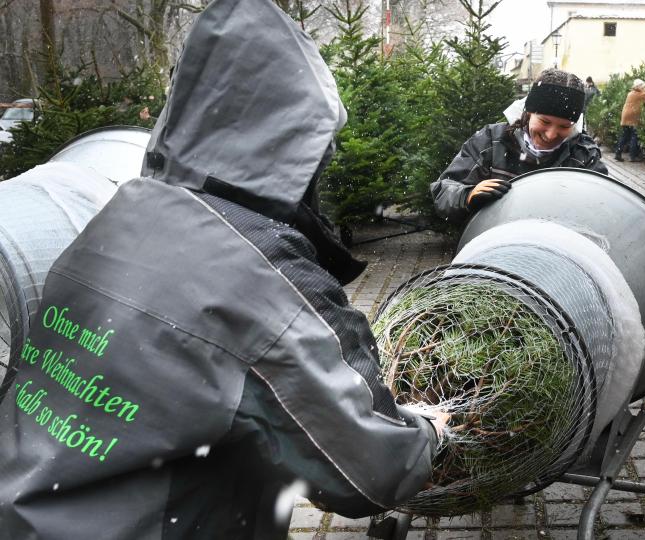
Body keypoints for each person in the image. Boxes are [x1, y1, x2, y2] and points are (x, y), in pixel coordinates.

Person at [0, 0, 447, 538]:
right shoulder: (259, 274)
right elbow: (370, 472)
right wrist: (428, 433)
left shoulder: (121, 214)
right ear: (297, 142)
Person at [431, 68, 608, 224]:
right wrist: (466, 196)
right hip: (493, 245)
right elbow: (443, 190)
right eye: (545, 121)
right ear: (528, 112)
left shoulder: (584, 155)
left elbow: (603, 208)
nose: (551, 134)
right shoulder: (491, 141)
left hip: (558, 251)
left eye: (564, 126)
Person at [614, 79, 645, 162]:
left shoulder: (630, 93)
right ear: (639, 87)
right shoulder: (641, 94)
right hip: (632, 118)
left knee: (625, 136)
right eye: (643, 87)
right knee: (634, 137)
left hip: (625, 117)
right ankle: (632, 157)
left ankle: (618, 153)